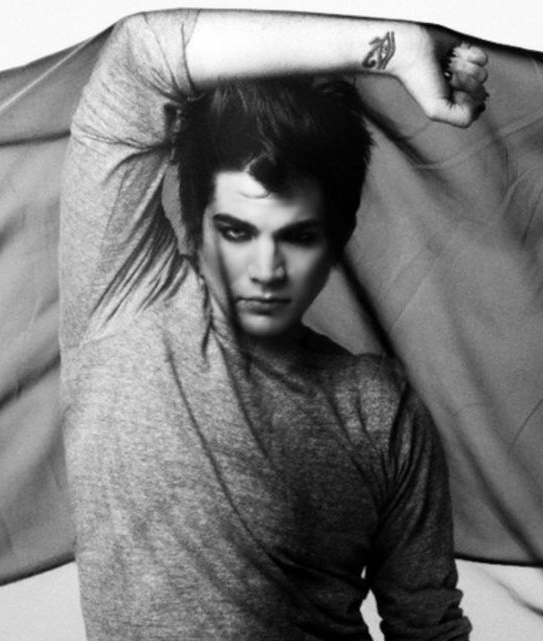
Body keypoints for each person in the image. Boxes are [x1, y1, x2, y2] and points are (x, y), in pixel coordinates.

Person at [59, 8, 488, 640]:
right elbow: (141, 51)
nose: (266, 270)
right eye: (237, 231)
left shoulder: (377, 408)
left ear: (337, 238)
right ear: (195, 223)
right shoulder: (122, 299)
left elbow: (429, 627)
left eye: (297, 237)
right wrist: (397, 48)